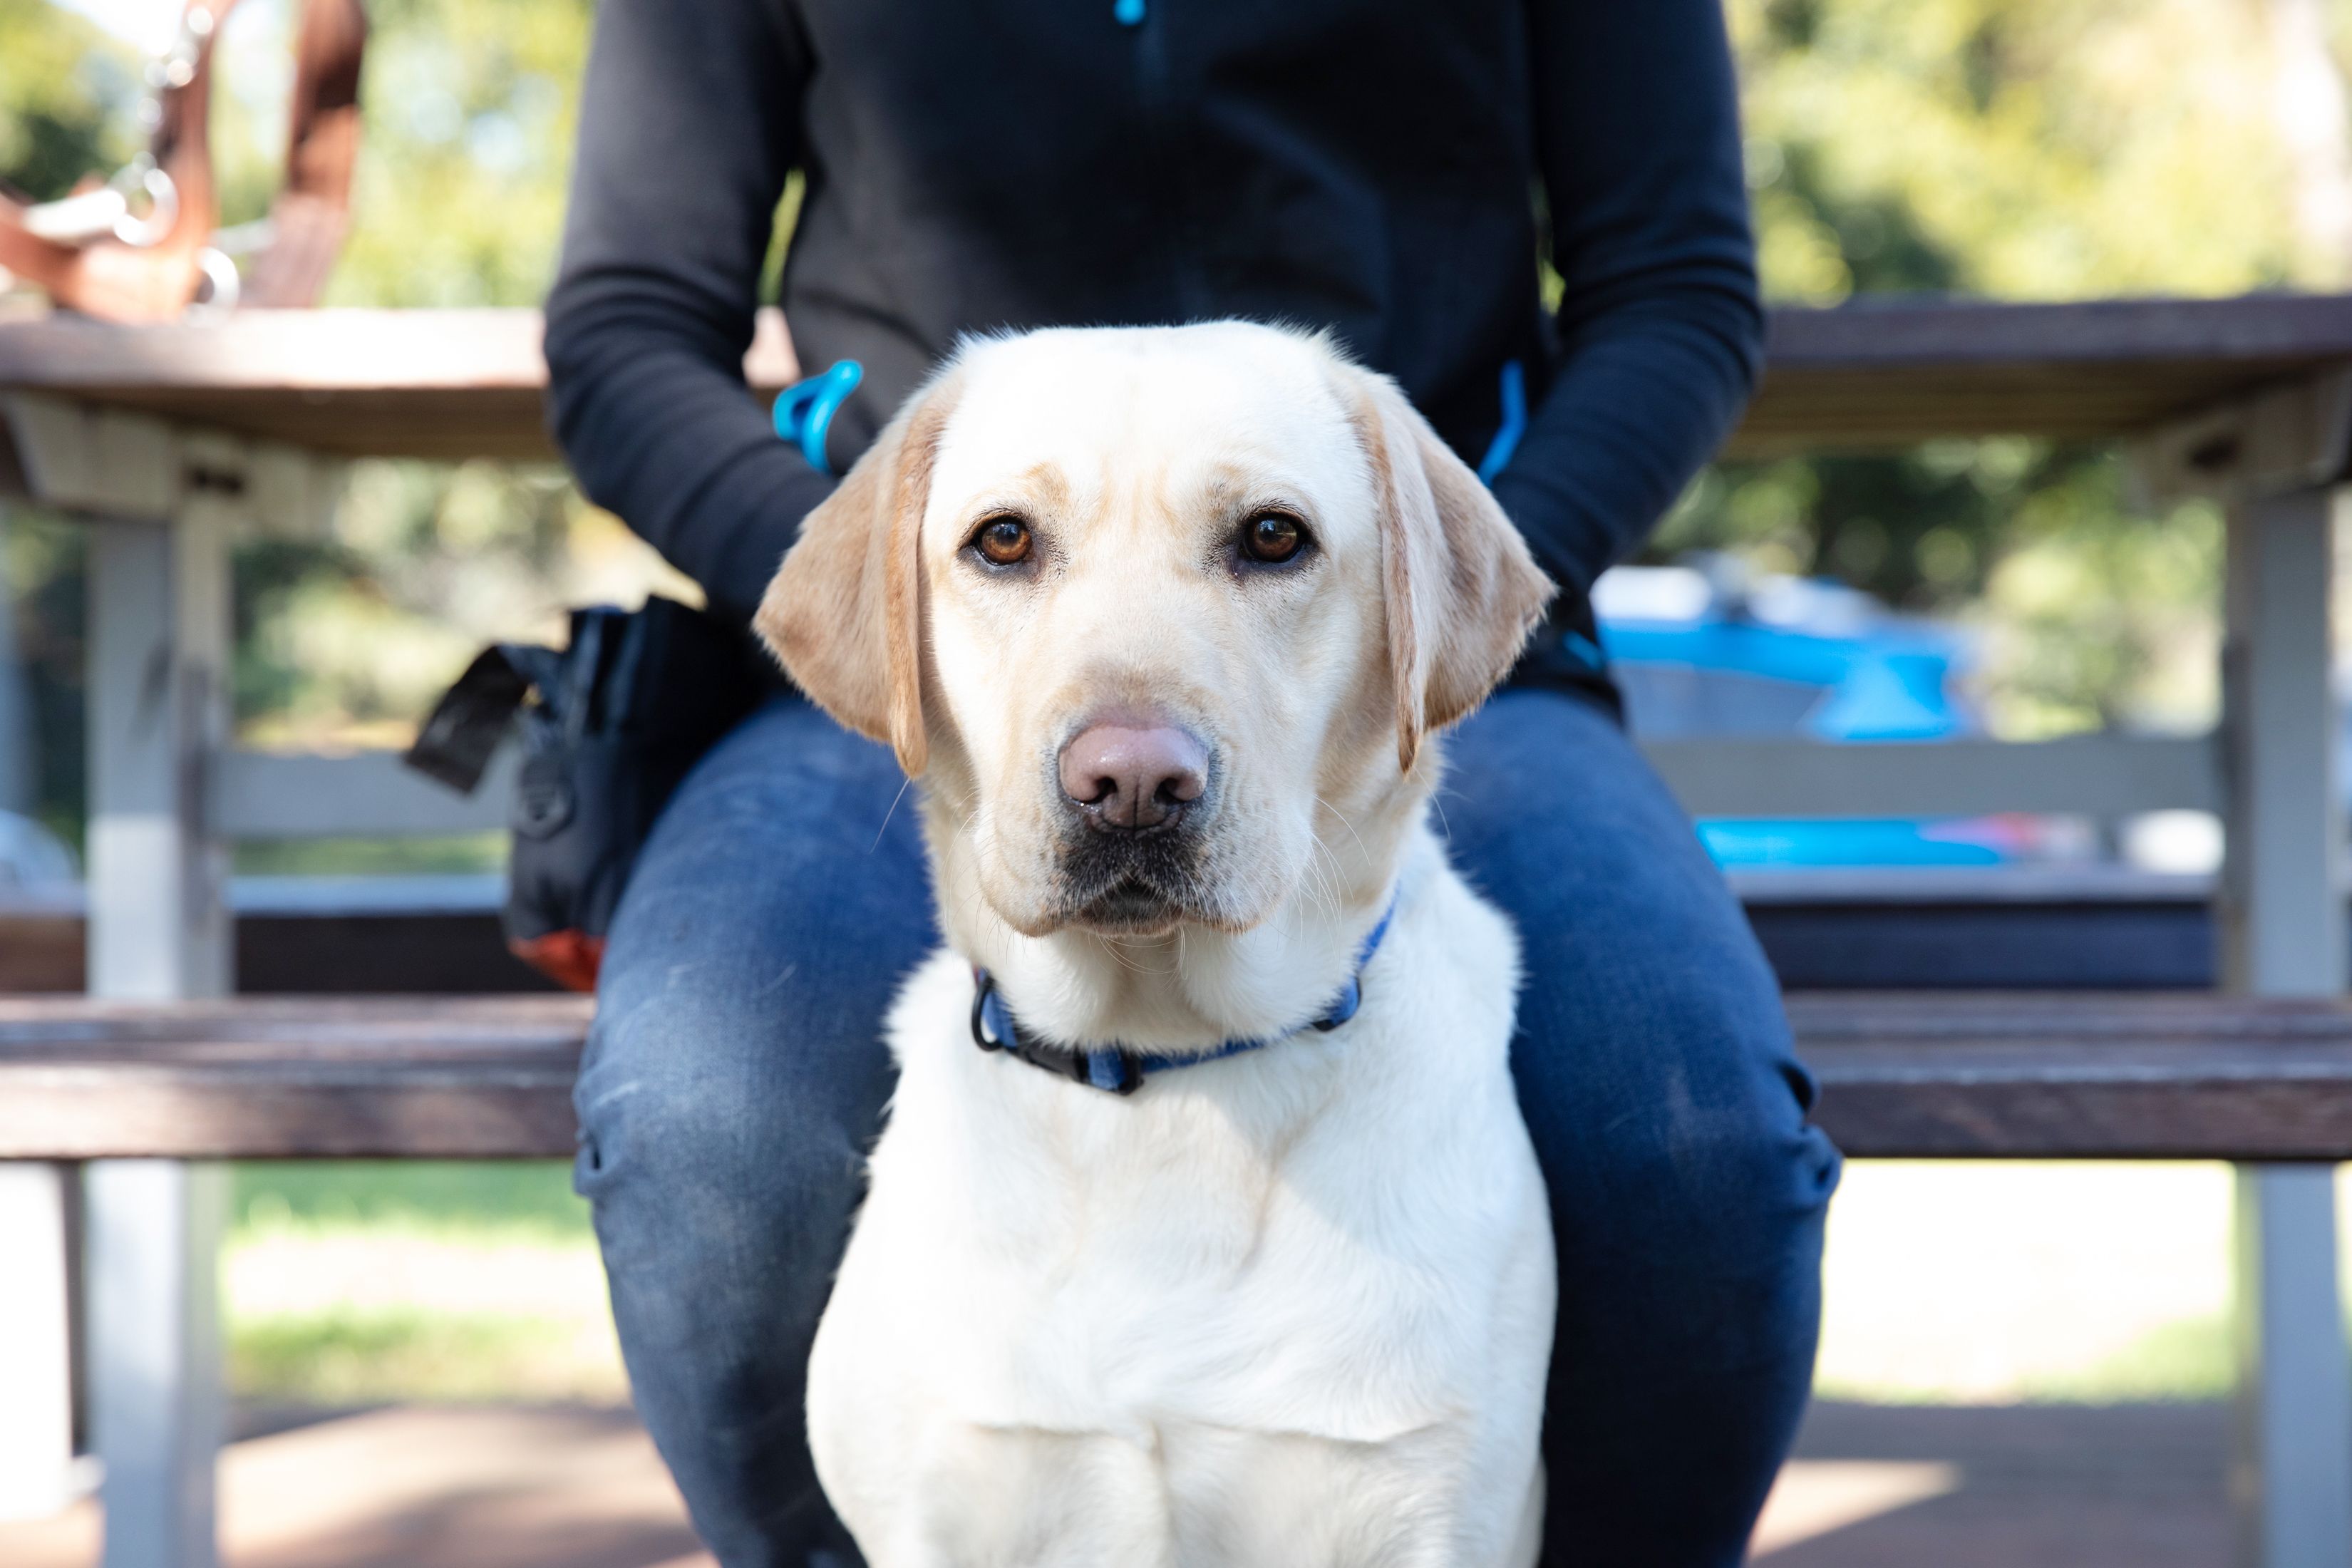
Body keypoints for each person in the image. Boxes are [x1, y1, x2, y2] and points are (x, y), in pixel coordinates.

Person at [543, 4, 1842, 1564]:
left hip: (1411, 639)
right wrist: (884, 593)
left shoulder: (1415, 593)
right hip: (924, 657)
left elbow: (1678, 292)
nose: (1133, 766)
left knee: (1695, 1143)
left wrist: (1428, 593)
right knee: (702, 1117)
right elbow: (624, 323)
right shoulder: (917, 600)